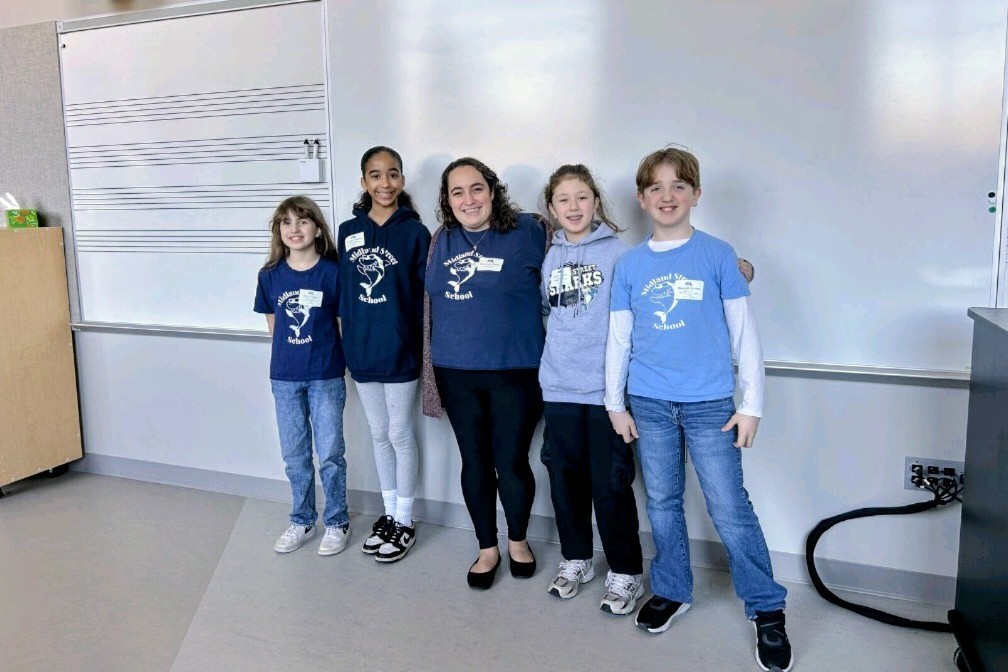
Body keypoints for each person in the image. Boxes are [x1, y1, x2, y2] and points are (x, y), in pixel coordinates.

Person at [605, 147, 791, 671]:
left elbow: (745, 334)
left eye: (678, 186)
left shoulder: (718, 255)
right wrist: (615, 403)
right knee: (663, 502)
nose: (667, 196)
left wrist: (752, 405)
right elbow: (619, 340)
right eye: (656, 188)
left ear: (696, 194)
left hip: (711, 406)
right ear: (642, 198)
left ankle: (766, 606)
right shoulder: (630, 265)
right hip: (648, 403)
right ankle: (672, 589)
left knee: (729, 506)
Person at [422, 157, 547, 589]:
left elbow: (575, 257)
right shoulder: (441, 239)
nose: (469, 199)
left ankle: (518, 540)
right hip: (455, 369)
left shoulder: (529, 231)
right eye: (457, 192)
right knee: (474, 461)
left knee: (511, 461)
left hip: (516, 368)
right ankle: (487, 547)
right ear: (447, 200)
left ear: (493, 191)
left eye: (477, 188)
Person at [537, 164, 646, 614]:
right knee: (565, 482)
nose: (574, 206)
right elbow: (547, 312)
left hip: (606, 394)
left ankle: (626, 571)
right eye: (564, 199)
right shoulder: (550, 256)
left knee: (611, 484)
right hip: (558, 388)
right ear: (552, 208)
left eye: (582, 197)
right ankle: (576, 558)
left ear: (596, 202)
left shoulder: (619, 253)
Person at [337, 146, 430, 563]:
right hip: (361, 350)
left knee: (399, 434)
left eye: (393, 174)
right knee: (378, 433)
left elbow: (425, 298)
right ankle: (390, 514)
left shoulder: (416, 233)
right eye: (375, 175)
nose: (385, 183)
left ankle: (405, 520)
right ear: (364, 182)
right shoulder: (347, 232)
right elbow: (343, 294)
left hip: (400, 349)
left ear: (402, 180)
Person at [254, 195, 351, 556]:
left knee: (330, 454)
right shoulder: (269, 275)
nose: (294, 229)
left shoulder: (333, 273)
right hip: (285, 378)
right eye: (287, 222)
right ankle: (302, 519)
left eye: (303, 221)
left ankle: (337, 522)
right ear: (279, 231)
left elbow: (340, 326)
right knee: (295, 456)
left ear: (317, 229)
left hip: (326, 376)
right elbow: (274, 327)